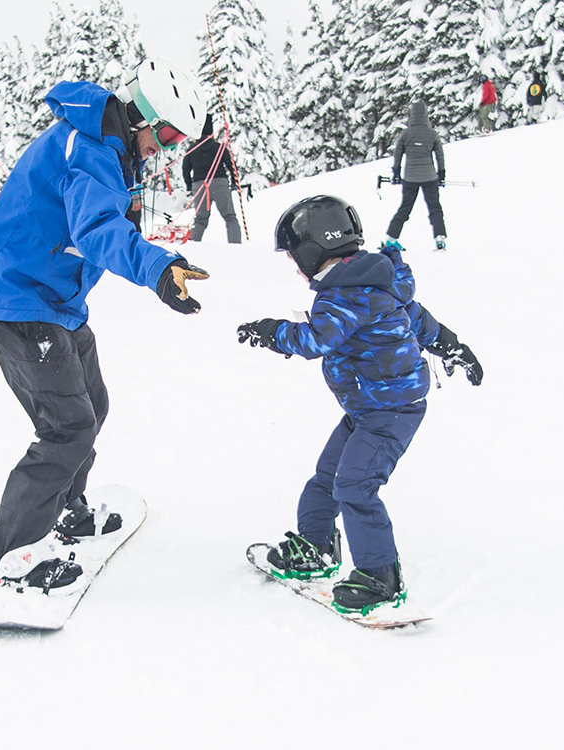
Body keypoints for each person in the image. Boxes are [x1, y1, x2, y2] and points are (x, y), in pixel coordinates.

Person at [0, 58, 210, 594]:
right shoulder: (91, 149)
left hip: (53, 298)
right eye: (166, 133)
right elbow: (96, 228)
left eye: (177, 140)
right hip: (19, 297)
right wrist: (158, 267)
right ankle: (10, 556)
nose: (165, 147)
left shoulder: (108, 146)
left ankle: (65, 511)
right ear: (142, 115)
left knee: (90, 408)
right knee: (66, 427)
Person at [235, 195, 482, 612]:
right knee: (327, 476)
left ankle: (380, 576)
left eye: (296, 257)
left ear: (314, 250)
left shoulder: (346, 294)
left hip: (390, 412)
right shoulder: (376, 282)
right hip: (367, 409)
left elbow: (316, 339)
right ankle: (316, 547)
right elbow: (420, 321)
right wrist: (452, 346)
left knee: (355, 486)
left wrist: (270, 331)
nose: (296, 267)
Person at [384, 101, 447, 252]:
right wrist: (442, 173)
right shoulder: (432, 134)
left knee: (405, 208)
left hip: (410, 177)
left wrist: (396, 172)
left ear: (411, 116)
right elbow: (440, 155)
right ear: (425, 115)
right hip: (429, 177)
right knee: (435, 208)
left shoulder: (405, 134)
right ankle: (440, 239)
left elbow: (397, 154)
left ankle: (391, 239)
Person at [182, 114, 241, 243]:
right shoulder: (219, 147)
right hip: (220, 182)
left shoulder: (193, 149)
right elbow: (232, 166)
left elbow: (185, 169)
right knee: (229, 216)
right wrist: (235, 182)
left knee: (200, 219)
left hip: (200, 184)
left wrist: (189, 186)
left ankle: (193, 245)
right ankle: (235, 244)